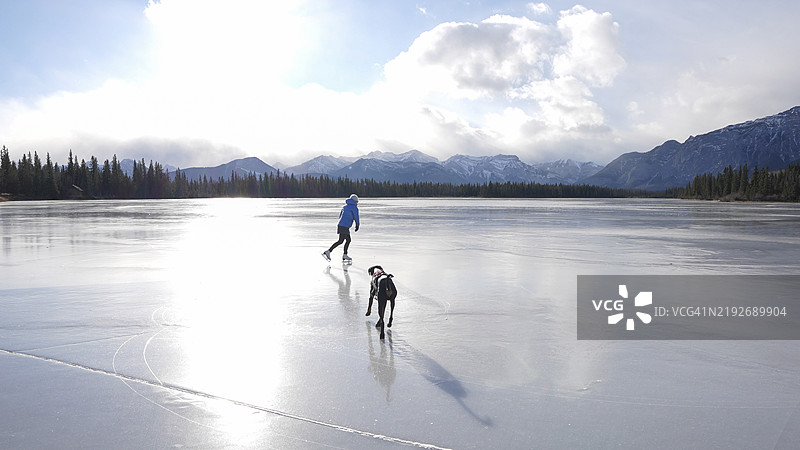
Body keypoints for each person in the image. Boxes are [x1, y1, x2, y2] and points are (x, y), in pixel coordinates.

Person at [322, 194, 360, 262]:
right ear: (354, 201)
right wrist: (357, 225)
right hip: (344, 226)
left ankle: (344, 254)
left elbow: (340, 215)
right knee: (341, 241)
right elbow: (356, 217)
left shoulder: (345, 207)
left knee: (347, 240)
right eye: (357, 202)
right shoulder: (354, 208)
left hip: (341, 225)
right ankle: (328, 251)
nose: (357, 203)